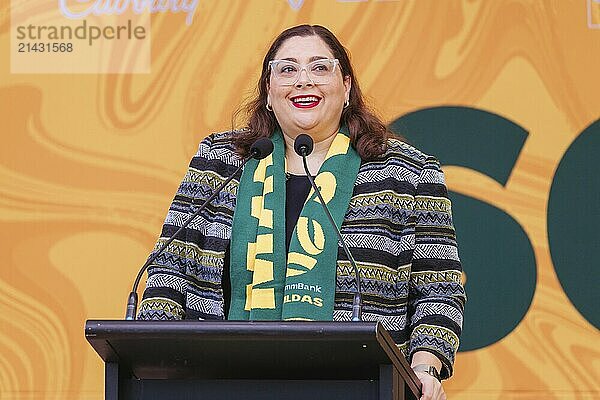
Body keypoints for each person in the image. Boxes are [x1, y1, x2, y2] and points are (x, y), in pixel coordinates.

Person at [138, 24, 466, 400]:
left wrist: (425, 367)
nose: (303, 81)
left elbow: (439, 287)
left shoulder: (407, 173)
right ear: (268, 91)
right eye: (288, 69)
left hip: (359, 385)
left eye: (319, 68)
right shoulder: (221, 164)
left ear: (346, 87)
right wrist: (153, 363)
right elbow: (170, 272)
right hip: (220, 384)